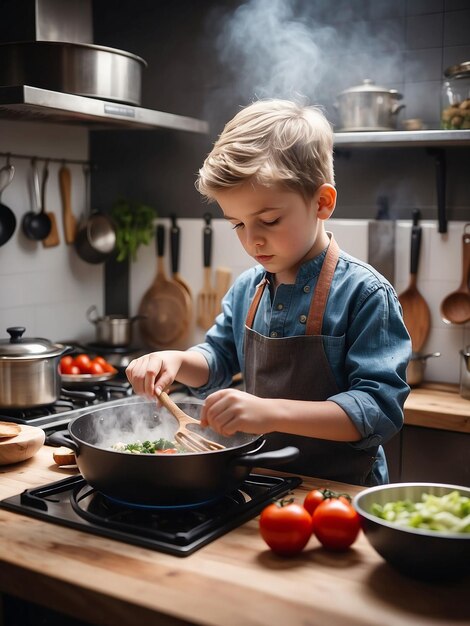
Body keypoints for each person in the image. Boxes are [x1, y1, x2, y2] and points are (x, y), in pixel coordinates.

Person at [126, 99, 411, 486]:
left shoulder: (365, 294)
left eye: (270, 220)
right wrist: (175, 360)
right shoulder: (248, 287)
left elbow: (376, 409)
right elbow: (218, 357)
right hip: (260, 483)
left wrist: (270, 412)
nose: (252, 240)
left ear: (322, 202)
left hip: (340, 493)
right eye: (237, 224)